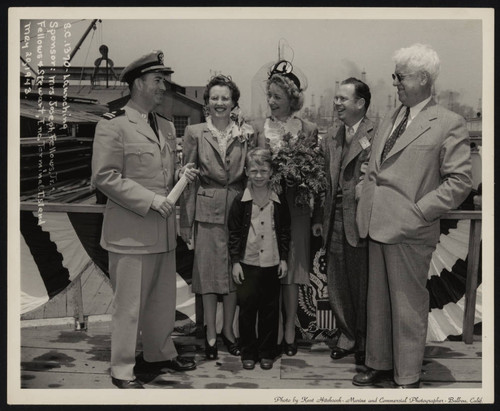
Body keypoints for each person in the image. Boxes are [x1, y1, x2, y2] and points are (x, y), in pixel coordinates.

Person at [354, 44, 472, 388]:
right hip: (376, 224)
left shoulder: (449, 123)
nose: (395, 83)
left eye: (400, 76)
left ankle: (406, 376)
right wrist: (365, 192)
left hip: (410, 229)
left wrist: (420, 211)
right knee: (378, 304)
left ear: (423, 78)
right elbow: (372, 165)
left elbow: (461, 180)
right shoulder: (392, 117)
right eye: (395, 76)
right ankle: (380, 366)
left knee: (407, 307)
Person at [92, 50, 199, 389]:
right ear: (138, 83)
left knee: (161, 301)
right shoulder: (114, 124)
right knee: (129, 306)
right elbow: (105, 177)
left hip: (162, 233)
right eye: (157, 81)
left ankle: (158, 353)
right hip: (131, 233)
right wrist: (152, 200)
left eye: (164, 82)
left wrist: (177, 176)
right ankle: (122, 369)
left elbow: (161, 176)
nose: (163, 88)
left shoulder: (166, 126)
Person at [180, 75, 255, 360]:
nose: (220, 103)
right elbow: (187, 177)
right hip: (207, 213)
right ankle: (211, 334)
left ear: (234, 102)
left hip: (238, 211)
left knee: (234, 274)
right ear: (206, 103)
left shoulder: (247, 132)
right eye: (214, 98)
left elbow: (253, 176)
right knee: (209, 277)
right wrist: (186, 222)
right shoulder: (194, 132)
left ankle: (229, 332)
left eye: (225, 98)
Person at [255, 61, 319, 356]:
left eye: (277, 97)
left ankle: (290, 330)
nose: (271, 101)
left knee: (292, 274)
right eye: (269, 95)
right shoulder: (259, 129)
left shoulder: (308, 129)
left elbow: (316, 174)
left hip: (297, 210)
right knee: (268, 270)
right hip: (268, 208)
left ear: (291, 99)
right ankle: (272, 328)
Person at [312, 78, 375, 366]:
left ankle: (366, 342)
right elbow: (324, 181)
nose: (336, 103)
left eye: (343, 99)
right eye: (336, 98)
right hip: (333, 220)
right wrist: (318, 218)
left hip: (362, 221)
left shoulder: (377, 133)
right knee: (337, 283)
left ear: (360, 103)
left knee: (363, 286)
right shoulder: (332, 135)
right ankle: (347, 338)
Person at [228, 148, 291, 370]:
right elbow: (234, 233)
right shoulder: (240, 201)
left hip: (272, 264)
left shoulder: (278, 200)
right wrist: (235, 261)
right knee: (247, 310)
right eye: (253, 171)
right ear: (246, 172)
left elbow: (284, 231)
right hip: (248, 263)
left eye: (263, 170)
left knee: (270, 310)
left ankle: (267, 352)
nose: (258, 175)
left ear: (271, 171)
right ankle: (248, 351)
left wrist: (283, 259)